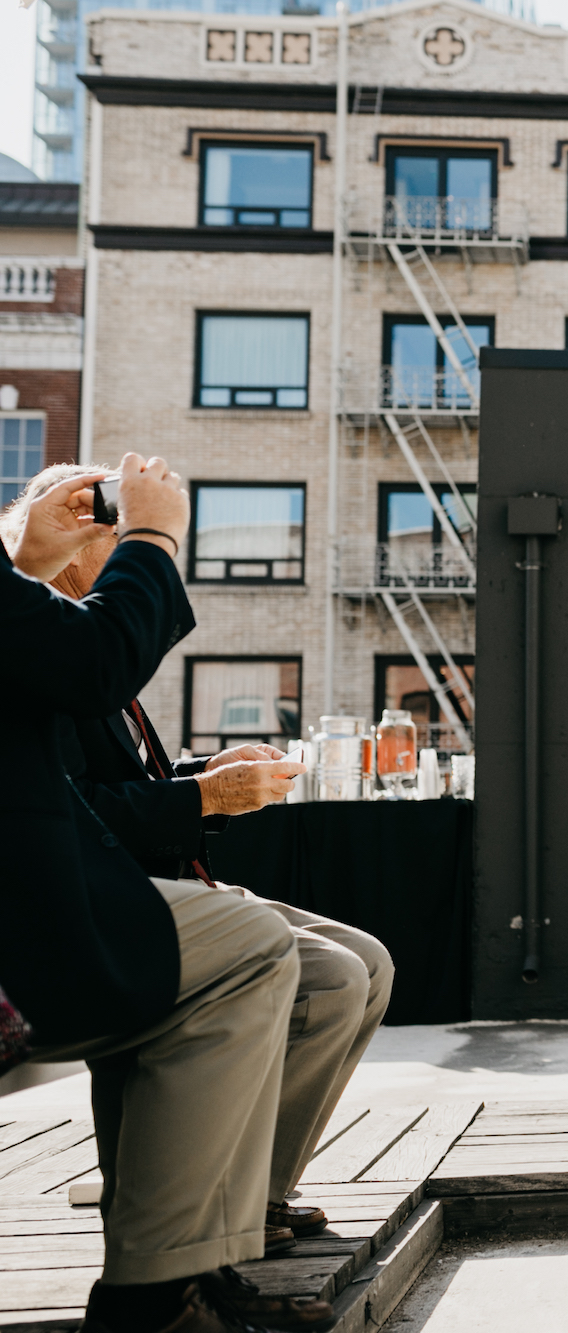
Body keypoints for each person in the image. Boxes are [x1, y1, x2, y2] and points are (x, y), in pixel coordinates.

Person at [2, 466, 394, 1260]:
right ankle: (180, 1238)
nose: (125, 552)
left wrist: (201, 775)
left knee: (368, 961)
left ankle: (256, 1194)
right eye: (114, 532)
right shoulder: (63, 645)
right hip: (79, 891)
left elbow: (98, 790)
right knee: (302, 965)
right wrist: (206, 797)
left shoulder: (55, 632)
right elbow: (77, 811)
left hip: (128, 872)